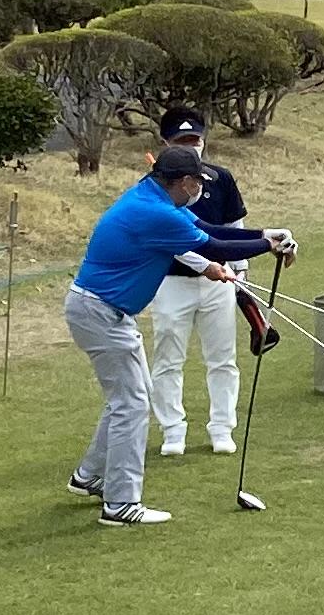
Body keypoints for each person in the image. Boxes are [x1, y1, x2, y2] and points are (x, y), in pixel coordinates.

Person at [65, 145, 289, 527]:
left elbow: (204, 231)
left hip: (101, 311)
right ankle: (119, 505)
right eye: (198, 181)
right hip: (100, 313)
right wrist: (267, 246)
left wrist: (263, 233)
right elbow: (215, 246)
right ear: (185, 182)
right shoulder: (154, 212)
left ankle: (89, 477)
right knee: (132, 405)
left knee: (127, 399)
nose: (201, 187)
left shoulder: (150, 195)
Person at [137, 107, 249, 459]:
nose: (191, 147)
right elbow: (176, 241)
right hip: (171, 282)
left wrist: (241, 274)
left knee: (222, 358)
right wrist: (208, 265)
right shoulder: (152, 189)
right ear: (165, 143)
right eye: (182, 141)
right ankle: (173, 430)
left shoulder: (221, 178)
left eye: (195, 141)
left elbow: (232, 231)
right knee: (169, 358)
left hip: (220, 282)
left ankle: (222, 428)